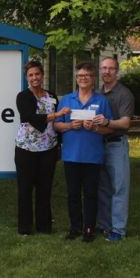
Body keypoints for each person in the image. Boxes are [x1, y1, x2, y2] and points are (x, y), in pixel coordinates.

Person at [54, 62, 113, 242]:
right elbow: (56, 125)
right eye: (80, 75)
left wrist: (95, 128)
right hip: (71, 155)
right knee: (72, 194)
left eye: (87, 75)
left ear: (93, 78)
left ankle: (89, 229)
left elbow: (109, 129)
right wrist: (71, 125)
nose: (83, 78)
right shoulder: (67, 100)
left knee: (90, 194)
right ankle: (75, 228)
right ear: (76, 78)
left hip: (92, 156)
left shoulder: (101, 101)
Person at [14, 60, 70, 235]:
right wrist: (57, 114)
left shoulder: (52, 96)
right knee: (25, 188)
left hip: (49, 148)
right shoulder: (23, 96)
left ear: (42, 75)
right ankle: (25, 227)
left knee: (45, 188)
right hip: (26, 149)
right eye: (30, 75)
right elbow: (30, 117)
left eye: (37, 74)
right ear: (26, 78)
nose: (34, 78)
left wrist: (59, 144)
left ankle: (44, 226)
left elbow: (58, 124)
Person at [93, 57, 135, 241]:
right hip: (99, 144)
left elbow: (126, 123)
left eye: (110, 68)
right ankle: (104, 224)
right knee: (103, 187)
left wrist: (108, 122)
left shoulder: (124, 94)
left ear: (116, 71)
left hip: (116, 144)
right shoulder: (97, 93)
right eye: (103, 68)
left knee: (119, 188)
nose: (107, 72)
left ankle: (118, 229)